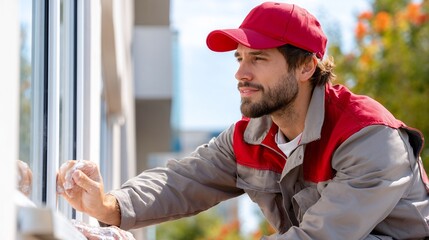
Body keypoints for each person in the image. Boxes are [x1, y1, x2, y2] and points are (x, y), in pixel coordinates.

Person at [57, 2, 429, 239]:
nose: (241, 74)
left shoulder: (369, 139)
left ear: (305, 66)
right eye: (239, 58)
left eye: (259, 59)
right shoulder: (250, 138)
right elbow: (181, 180)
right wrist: (109, 206)